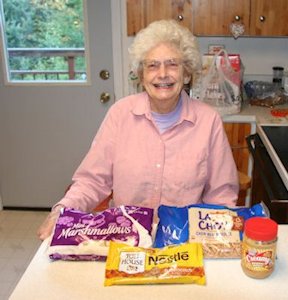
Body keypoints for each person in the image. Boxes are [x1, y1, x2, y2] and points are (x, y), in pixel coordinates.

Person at [37, 19, 239, 240]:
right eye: (152, 65)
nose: (162, 74)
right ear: (141, 76)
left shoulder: (208, 121)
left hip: (184, 242)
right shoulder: (120, 114)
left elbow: (221, 196)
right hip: (126, 237)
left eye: (172, 64)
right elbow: (92, 180)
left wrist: (215, 242)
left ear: (187, 73)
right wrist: (62, 211)